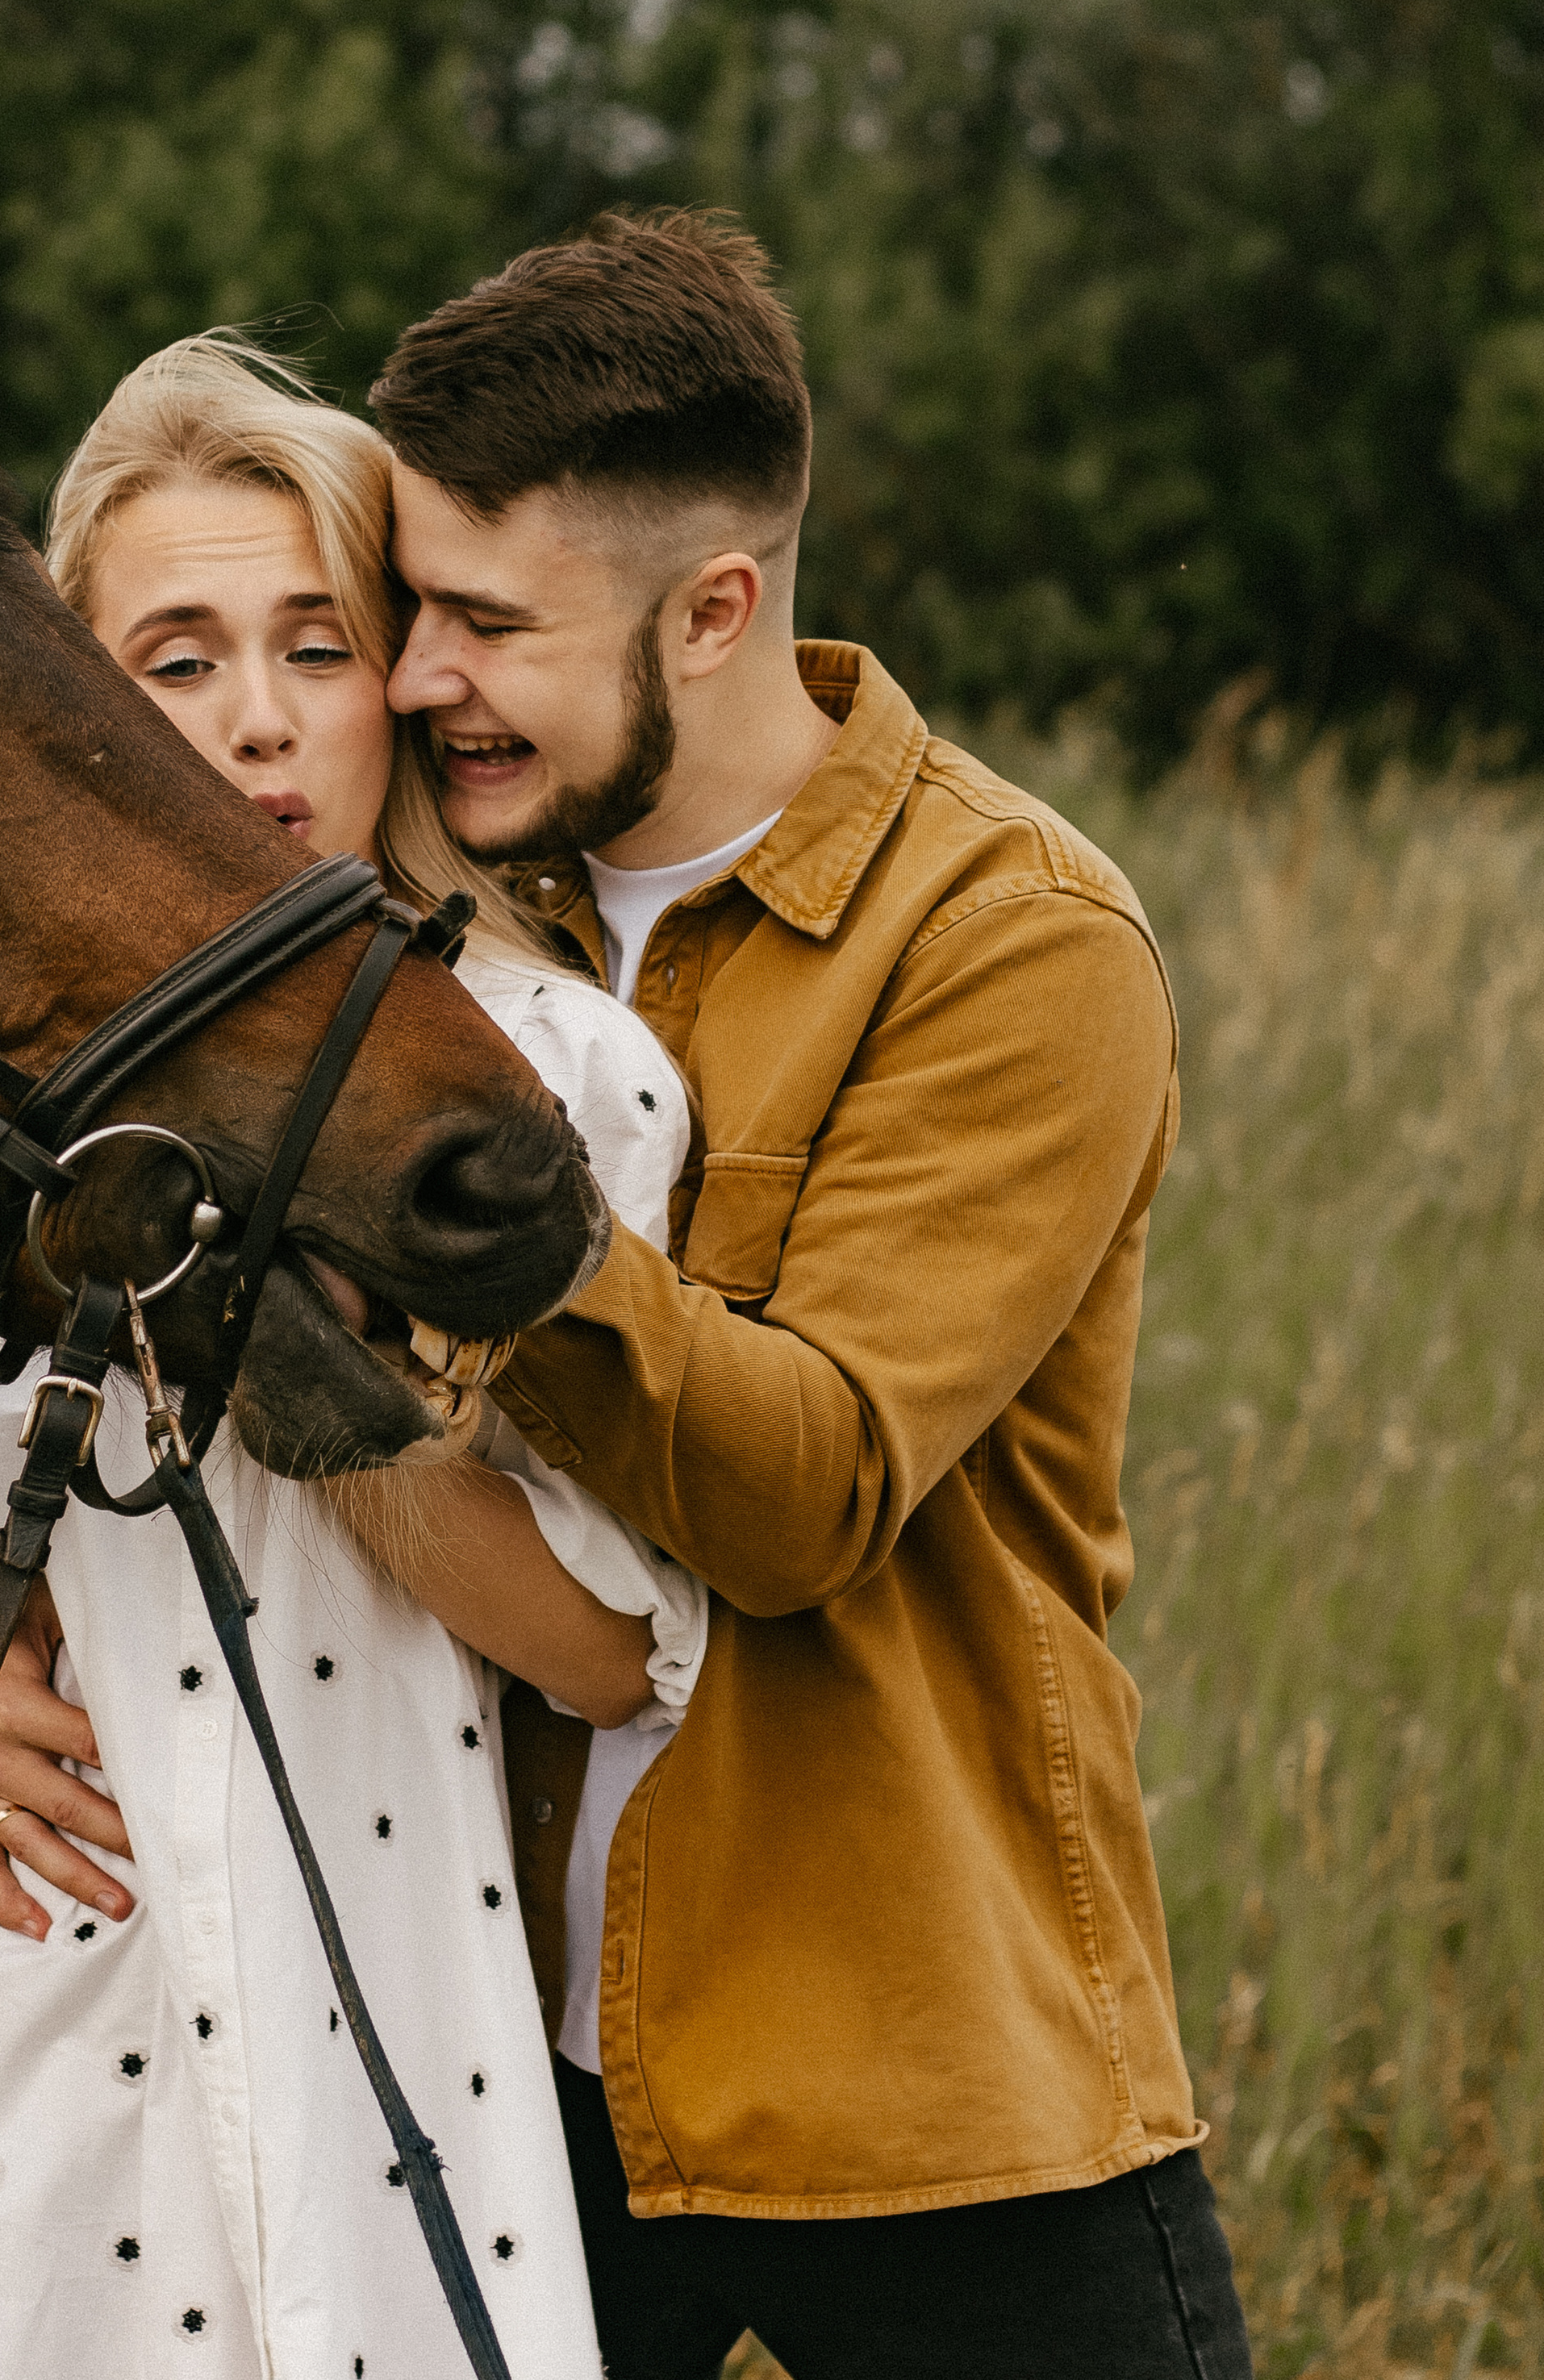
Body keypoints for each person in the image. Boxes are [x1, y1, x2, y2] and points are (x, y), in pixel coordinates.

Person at [0, 336, 703, 2380]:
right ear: (72, 706)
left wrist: (283, 1374)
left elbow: (602, 1647)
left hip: (391, 2031)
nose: (256, 719)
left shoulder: (549, 1074)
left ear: (387, 683)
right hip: (15, 2033)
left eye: (313, 645)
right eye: (174, 658)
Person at [360, 210, 1256, 2380]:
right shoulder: (432, 907)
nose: (409, 683)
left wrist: (467, 1175)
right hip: (494, 2086)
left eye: (485, 621)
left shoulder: (1017, 939)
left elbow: (800, 1494)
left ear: (719, 604)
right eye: (404, 612)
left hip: (931, 2082)